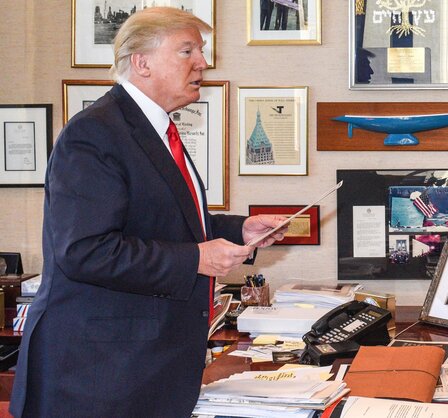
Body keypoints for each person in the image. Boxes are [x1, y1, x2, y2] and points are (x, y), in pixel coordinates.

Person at [10, 8, 290, 417]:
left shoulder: (156, 130)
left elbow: (165, 222)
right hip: (98, 377)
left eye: (201, 50)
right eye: (187, 50)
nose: (203, 63)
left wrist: (239, 230)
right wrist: (197, 258)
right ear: (141, 62)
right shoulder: (95, 133)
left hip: (141, 368)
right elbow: (86, 250)